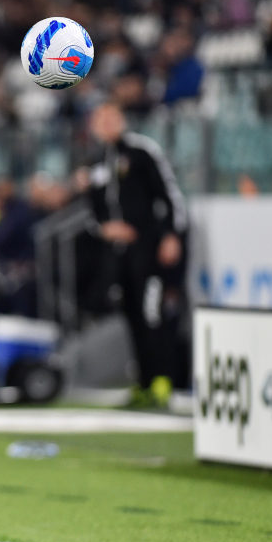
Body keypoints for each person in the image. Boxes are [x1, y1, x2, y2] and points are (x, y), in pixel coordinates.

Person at [87, 103, 188, 405]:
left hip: (149, 248)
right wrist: (105, 229)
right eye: (100, 119)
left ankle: (163, 380)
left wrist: (171, 234)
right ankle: (143, 382)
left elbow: (169, 194)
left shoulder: (142, 152)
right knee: (131, 314)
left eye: (111, 118)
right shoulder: (97, 162)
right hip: (120, 255)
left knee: (152, 315)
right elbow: (93, 209)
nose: (106, 124)